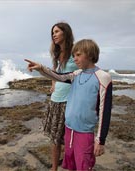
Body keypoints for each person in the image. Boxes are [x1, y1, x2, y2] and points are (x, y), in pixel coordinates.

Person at [25, 39, 112, 171]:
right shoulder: (76, 74)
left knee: (84, 166)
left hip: (85, 132)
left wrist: (100, 141)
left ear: (89, 54)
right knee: (71, 165)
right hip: (69, 129)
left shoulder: (103, 77)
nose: (74, 59)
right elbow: (58, 76)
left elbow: (104, 112)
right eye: (73, 56)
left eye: (78, 55)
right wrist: (41, 68)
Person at [44, 22, 78, 171]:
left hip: (69, 101)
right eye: (53, 32)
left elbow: (83, 71)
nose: (54, 35)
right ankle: (54, 168)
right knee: (55, 139)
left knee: (69, 138)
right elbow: (55, 71)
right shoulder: (57, 53)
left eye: (57, 31)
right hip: (55, 100)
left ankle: (70, 164)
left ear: (66, 33)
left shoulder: (76, 51)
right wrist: (53, 85)